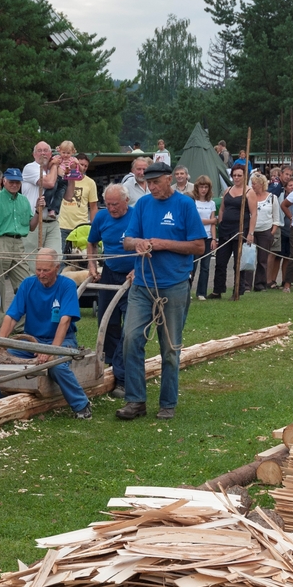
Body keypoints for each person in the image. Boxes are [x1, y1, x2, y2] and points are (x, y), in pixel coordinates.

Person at [116, 161, 206, 421]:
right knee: (131, 339)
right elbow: (127, 241)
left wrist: (165, 244)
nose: (151, 187)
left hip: (174, 285)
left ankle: (168, 402)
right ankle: (135, 401)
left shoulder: (185, 205)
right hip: (143, 285)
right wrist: (139, 243)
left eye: (155, 182)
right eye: (148, 183)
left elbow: (199, 246)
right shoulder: (143, 204)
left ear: (169, 179)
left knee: (170, 347)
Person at [0, 248, 91, 419]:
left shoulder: (67, 286)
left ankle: (81, 406)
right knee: (6, 359)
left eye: (46, 270)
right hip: (32, 341)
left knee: (56, 366)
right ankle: (1, 395)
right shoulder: (28, 284)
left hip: (62, 340)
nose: (41, 274)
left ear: (57, 268)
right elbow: (11, 317)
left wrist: (51, 351)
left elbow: (65, 321)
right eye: (38, 270)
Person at [86, 183, 135, 399]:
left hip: (134, 278)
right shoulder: (101, 218)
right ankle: (113, 368)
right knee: (107, 324)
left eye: (115, 204)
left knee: (129, 329)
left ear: (126, 201)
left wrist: (137, 269)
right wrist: (91, 264)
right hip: (110, 273)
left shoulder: (137, 217)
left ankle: (123, 379)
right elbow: (91, 243)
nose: (112, 208)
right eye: (108, 204)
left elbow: (148, 246)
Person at [0, 168, 41, 332]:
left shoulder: (24, 200)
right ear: (3, 181)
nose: (14, 184)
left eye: (17, 182)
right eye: (11, 181)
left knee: (25, 285)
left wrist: (37, 211)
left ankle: (19, 326)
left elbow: (32, 226)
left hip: (19, 243)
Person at [210, 165, 258, 299]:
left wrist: (251, 233)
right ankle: (217, 290)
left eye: (239, 175)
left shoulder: (249, 192)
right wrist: (220, 221)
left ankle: (238, 290)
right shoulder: (227, 190)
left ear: (244, 177)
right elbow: (222, 209)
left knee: (238, 263)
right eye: (234, 175)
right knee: (220, 262)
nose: (236, 178)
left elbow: (254, 214)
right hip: (225, 231)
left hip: (240, 231)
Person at [22, 140, 62, 254]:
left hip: (53, 223)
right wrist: (55, 164)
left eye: (46, 151)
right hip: (34, 223)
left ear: (50, 154)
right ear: (34, 155)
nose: (43, 153)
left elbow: (68, 196)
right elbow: (50, 183)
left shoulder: (54, 169)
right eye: (39, 151)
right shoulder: (30, 167)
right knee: (32, 262)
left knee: (54, 260)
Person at [59, 152, 99, 248]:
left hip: (81, 226)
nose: (83, 168)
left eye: (86, 166)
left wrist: (92, 227)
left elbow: (93, 207)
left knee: (80, 257)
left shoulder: (90, 183)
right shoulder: (64, 178)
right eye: (81, 164)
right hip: (62, 225)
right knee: (62, 258)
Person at [249, 172, 279, 292]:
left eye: (255, 184)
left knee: (262, 259)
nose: (253, 186)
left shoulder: (272, 198)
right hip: (251, 231)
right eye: (252, 183)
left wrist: (272, 231)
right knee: (249, 257)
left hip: (265, 231)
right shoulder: (249, 196)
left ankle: (260, 284)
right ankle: (246, 284)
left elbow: (276, 218)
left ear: (262, 184)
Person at [270, 175, 293, 288]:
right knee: (277, 256)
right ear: (285, 187)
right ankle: (272, 280)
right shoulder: (280, 197)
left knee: (288, 257)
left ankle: (285, 280)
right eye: (290, 185)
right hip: (281, 230)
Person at [190, 176, 216, 301]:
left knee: (205, 266)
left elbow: (213, 224)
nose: (203, 190)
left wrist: (214, 239)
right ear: (197, 188)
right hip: (196, 237)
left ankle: (202, 292)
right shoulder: (193, 202)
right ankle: (187, 290)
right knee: (192, 266)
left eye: (206, 187)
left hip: (208, 237)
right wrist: (211, 220)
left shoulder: (211, 203)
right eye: (201, 187)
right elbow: (195, 221)